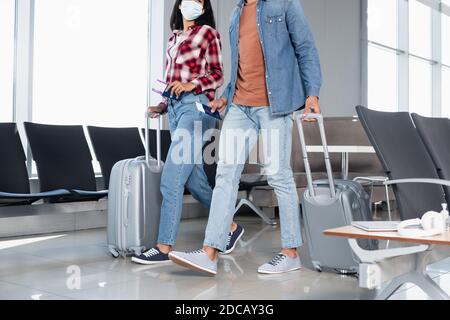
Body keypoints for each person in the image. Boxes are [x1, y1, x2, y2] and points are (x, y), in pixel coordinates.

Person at [169, 0, 322, 275]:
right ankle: (209, 252)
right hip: (240, 106)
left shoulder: (284, 4)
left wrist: (312, 94)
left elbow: (305, 48)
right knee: (225, 175)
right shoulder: (236, 13)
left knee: (278, 175)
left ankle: (290, 253)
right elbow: (239, 66)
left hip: (274, 106)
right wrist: (225, 96)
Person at [132, 0, 244, 265]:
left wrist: (191, 83)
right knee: (194, 182)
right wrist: (162, 104)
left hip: (197, 109)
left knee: (171, 179)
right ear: (179, 4)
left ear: (204, 7)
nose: (194, 3)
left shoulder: (208, 34)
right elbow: (174, 80)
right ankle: (230, 227)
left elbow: (217, 75)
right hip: (174, 110)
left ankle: (163, 247)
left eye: (200, 0)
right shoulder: (173, 38)